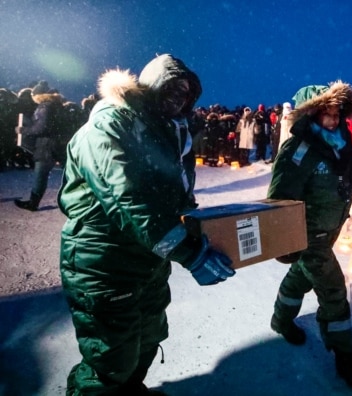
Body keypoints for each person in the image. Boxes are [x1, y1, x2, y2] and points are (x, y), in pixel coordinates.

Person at [59, 54, 235, 395]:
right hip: (104, 262)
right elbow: (129, 202)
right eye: (171, 88)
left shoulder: (165, 132)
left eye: (185, 93)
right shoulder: (111, 124)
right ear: (151, 86)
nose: (178, 98)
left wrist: (204, 232)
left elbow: (176, 195)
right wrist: (190, 253)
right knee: (110, 360)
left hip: (149, 260)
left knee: (147, 339)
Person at [267, 80, 352, 390]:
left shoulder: (340, 143)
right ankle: (345, 357)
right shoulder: (299, 149)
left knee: (300, 277)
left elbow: (340, 183)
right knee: (333, 291)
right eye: (325, 113)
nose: (332, 118)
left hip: (331, 229)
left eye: (337, 112)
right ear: (310, 114)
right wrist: (283, 239)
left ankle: (281, 320)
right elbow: (280, 197)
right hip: (309, 233)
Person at [14, 81, 67, 211]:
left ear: (38, 95)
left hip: (46, 147)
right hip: (56, 145)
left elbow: (41, 128)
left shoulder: (45, 107)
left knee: (40, 175)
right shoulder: (57, 105)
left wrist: (23, 130)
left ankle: (33, 203)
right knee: (67, 174)